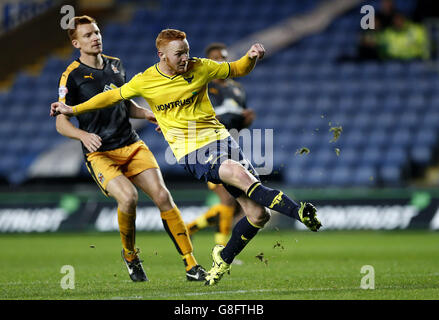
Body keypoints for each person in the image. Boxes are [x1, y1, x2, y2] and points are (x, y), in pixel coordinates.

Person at [50, 28, 322, 286]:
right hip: (192, 151)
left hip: (222, 140)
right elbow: (109, 98)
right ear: (162, 56)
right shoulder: (145, 80)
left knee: (256, 214)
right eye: (179, 54)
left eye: (187, 51)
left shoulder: (200, 66)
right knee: (236, 173)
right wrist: (72, 110)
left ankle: (222, 259)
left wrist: (250, 57)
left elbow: (238, 68)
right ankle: (299, 211)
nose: (185, 58)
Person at [55, 17, 206, 282]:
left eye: (98, 32)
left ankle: (191, 265)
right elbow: (61, 121)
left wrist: (147, 114)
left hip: (131, 144)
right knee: (128, 198)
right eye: (88, 34)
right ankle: (130, 255)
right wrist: (83, 135)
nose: (96, 37)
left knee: (162, 196)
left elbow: (125, 104)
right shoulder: (72, 75)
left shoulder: (116, 65)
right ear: (76, 42)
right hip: (101, 153)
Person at [185, 43, 255, 248]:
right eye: (215, 57)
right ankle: (222, 250)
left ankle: (189, 228)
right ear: (208, 61)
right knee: (227, 200)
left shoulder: (237, 89)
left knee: (232, 206)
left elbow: (237, 126)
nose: (220, 60)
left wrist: (246, 121)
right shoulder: (202, 86)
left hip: (230, 147)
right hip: (207, 149)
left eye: (223, 57)